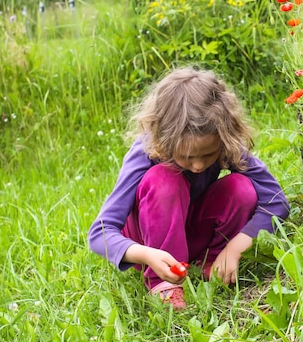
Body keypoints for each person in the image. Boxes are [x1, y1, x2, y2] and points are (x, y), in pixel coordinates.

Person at [88, 67, 290, 309]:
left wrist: (235, 247)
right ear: (164, 140)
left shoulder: (224, 142)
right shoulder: (146, 150)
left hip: (192, 231)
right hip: (151, 242)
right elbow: (100, 233)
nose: (198, 165)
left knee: (242, 188)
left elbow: (276, 201)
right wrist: (146, 255)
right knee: (164, 179)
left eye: (208, 155)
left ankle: (211, 263)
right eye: (186, 156)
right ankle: (164, 285)